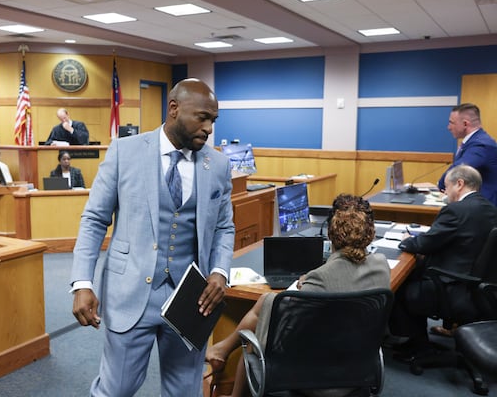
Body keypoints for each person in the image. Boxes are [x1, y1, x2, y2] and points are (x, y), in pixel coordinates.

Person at [70, 78, 235, 397]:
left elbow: (224, 227)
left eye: (213, 120)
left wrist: (220, 271)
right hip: (129, 291)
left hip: (192, 300)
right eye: (202, 117)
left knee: (184, 390)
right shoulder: (125, 151)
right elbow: (94, 219)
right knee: (116, 389)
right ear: (174, 109)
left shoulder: (217, 165)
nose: (208, 128)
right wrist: (82, 283)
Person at [205, 194, 391, 397]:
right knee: (266, 305)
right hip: (359, 369)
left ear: (330, 234)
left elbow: (286, 331)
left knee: (256, 333)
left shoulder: (320, 279)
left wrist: (306, 283)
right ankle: (222, 352)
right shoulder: (381, 264)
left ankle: (232, 385)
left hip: (314, 378)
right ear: (369, 233)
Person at [390, 164, 497, 360]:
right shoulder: (490, 209)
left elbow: (424, 243)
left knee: (403, 286)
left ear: (460, 184)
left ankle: (419, 347)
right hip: (479, 288)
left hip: (453, 287)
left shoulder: (455, 210)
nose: (444, 191)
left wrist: (406, 240)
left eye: (446, 186)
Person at [437, 103, 497, 205]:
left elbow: (459, 169)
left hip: (484, 209)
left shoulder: (481, 145)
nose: (449, 127)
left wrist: (441, 185)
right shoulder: (475, 141)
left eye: (452, 123)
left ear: (465, 124)